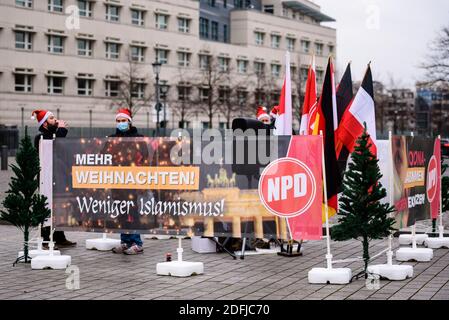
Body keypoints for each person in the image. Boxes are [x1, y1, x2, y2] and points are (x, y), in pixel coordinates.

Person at [32, 109, 77, 248]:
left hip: (58, 176)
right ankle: (46, 240)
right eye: (51, 118)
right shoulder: (40, 137)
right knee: (47, 208)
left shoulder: (53, 134)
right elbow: (55, 146)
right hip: (46, 178)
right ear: (44, 123)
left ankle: (59, 236)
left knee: (59, 207)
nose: (55, 120)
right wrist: (61, 131)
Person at [109, 108, 148, 255]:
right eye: (118, 121)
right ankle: (125, 241)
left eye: (123, 121)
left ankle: (137, 242)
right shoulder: (112, 138)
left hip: (132, 180)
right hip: (117, 180)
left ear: (129, 122)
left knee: (132, 210)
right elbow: (103, 156)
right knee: (121, 211)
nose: (120, 123)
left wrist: (142, 179)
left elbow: (145, 159)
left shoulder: (138, 138)